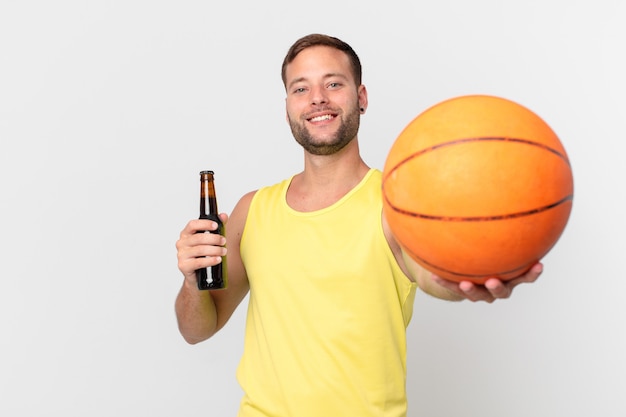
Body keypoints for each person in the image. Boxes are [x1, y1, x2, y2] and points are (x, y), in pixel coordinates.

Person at [175, 33, 542, 417]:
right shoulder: (252, 210)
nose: (318, 98)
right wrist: (190, 282)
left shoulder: (397, 204)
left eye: (333, 83)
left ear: (361, 97)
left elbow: (435, 277)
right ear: (287, 109)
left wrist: (472, 278)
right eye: (301, 88)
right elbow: (197, 329)